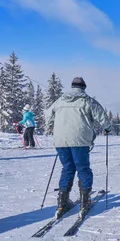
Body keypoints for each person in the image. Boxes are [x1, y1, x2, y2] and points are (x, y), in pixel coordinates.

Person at [45, 77, 111, 218]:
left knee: (67, 168)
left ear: (72, 86)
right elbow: (102, 117)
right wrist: (107, 129)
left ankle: (62, 203)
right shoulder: (87, 101)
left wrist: (56, 126)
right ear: (84, 87)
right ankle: (84, 201)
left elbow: (47, 115)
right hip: (80, 140)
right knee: (83, 168)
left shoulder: (60, 100)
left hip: (61, 140)